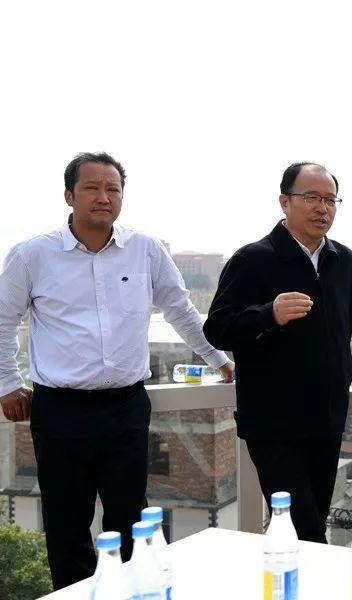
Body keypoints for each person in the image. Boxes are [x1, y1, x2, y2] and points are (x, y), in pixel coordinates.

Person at [0, 152, 233, 589]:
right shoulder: (32, 255)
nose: (103, 197)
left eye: (113, 189)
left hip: (126, 408)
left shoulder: (145, 250)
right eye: (92, 188)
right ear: (69, 195)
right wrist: (8, 382)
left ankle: (131, 594)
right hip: (60, 411)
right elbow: (3, 319)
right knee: (67, 526)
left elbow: (180, 309)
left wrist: (219, 360)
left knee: (131, 522)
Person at [203, 161, 352, 542]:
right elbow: (217, 327)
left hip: (326, 420)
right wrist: (269, 314)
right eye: (311, 198)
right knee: (304, 531)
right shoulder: (252, 260)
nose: (322, 208)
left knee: (314, 520)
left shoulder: (341, 261)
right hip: (274, 426)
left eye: (330, 200)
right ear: (284, 202)